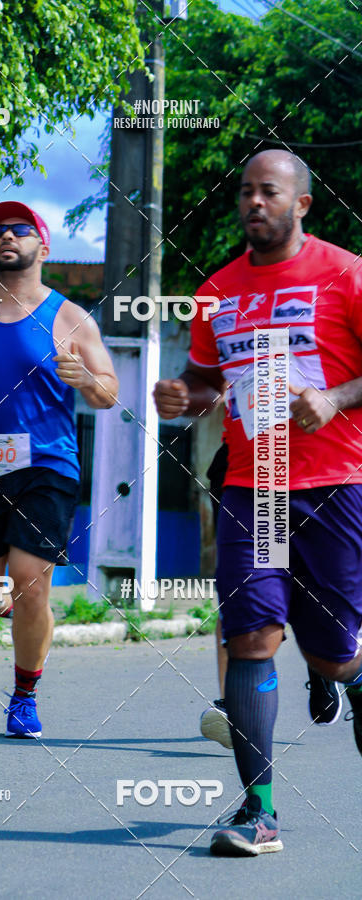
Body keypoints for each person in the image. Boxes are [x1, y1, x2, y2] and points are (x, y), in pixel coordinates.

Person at [153, 149, 362, 856]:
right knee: (250, 638)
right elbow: (205, 379)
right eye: (245, 192)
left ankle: (346, 675)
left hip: (336, 484)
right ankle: (259, 811)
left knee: (333, 654)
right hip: (254, 485)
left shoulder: (345, 274)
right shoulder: (217, 291)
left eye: (268, 192)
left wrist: (334, 397)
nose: (253, 202)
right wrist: (185, 397)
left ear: (302, 203)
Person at [0, 201, 118, 738]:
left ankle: (24, 697)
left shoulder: (68, 317)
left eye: (19, 230)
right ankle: (23, 612)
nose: (6, 237)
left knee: (31, 585)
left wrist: (85, 376)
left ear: (44, 245)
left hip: (47, 467)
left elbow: (109, 393)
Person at [199, 443, 342, 751]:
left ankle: (322, 660)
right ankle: (233, 707)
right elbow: (207, 396)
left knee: (310, 584)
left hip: (315, 471)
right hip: (245, 472)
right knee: (244, 594)